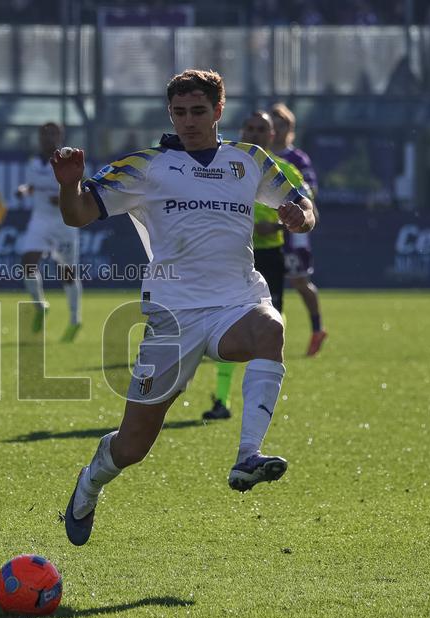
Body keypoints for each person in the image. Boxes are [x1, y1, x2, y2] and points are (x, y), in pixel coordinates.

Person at [51, 69, 315, 546]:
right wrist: (70, 186)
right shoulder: (147, 166)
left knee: (270, 329)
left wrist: (300, 214)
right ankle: (89, 483)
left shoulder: (249, 160)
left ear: (219, 110)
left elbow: (301, 203)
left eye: (198, 111)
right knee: (133, 446)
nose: (189, 121)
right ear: (169, 113)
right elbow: (78, 214)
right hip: (174, 315)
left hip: (237, 300)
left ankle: (247, 456)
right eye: (179, 112)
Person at [202, 110, 312, 421]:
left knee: (270, 325)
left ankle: (259, 404)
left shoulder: (285, 170)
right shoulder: (222, 167)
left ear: (272, 136)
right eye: (249, 128)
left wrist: (279, 227)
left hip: (269, 257)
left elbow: (307, 208)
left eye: (261, 129)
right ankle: (221, 400)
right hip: (232, 257)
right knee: (225, 323)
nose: (254, 134)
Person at [269, 102, 328, 357]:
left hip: (292, 232)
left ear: (289, 128)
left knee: (300, 281)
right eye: (273, 125)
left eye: (281, 125)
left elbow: (308, 193)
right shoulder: (262, 157)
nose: (276, 130)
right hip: (264, 232)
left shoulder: (297, 159)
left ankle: (317, 329)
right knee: (268, 287)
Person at [16, 122, 82, 341]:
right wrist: (24, 190)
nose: (49, 137)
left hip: (65, 222)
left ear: (61, 135)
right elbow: (33, 185)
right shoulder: (33, 162)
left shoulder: (70, 158)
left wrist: (66, 197)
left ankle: (75, 319)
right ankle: (40, 305)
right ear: (39, 137)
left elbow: (85, 186)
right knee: (27, 261)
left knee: (67, 273)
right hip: (40, 220)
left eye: (53, 133)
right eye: (45, 133)